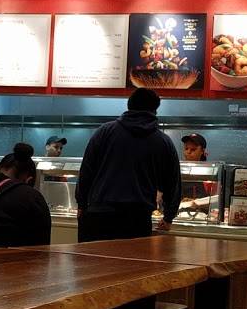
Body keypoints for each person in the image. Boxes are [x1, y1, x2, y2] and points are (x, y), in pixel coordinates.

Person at [74, 88, 181, 241]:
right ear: (155, 110)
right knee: (131, 257)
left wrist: (82, 204)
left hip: (99, 215)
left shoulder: (104, 132)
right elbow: (172, 182)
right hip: (137, 219)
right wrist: (168, 216)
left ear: (129, 105)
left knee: (94, 256)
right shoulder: (163, 141)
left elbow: (86, 171)